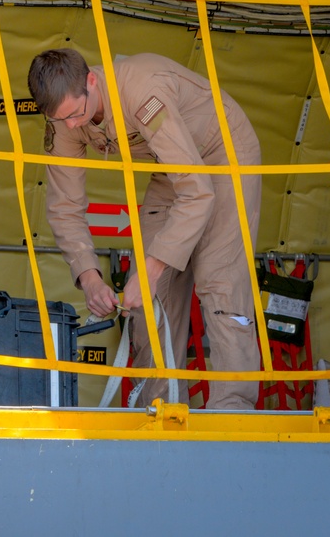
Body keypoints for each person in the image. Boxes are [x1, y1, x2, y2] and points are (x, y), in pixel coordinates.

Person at [27, 49, 262, 409]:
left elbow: (197, 191)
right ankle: (162, 412)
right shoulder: (65, 116)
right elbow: (63, 206)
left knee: (220, 282)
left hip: (223, 155)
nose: (73, 126)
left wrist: (154, 269)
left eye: (76, 114)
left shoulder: (141, 92)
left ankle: (234, 414)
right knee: (147, 301)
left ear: (92, 80)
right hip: (175, 169)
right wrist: (89, 277)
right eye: (62, 120)